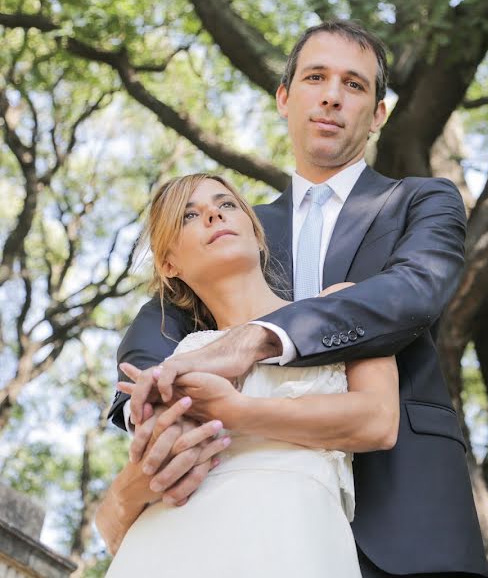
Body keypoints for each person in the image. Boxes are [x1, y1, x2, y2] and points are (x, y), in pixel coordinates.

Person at [107, 20, 488, 577]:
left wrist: (257, 340)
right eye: (315, 77)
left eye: (354, 85)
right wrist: (150, 402)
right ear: (284, 98)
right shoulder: (235, 230)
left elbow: (414, 289)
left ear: (378, 114)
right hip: (237, 514)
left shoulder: (422, 200)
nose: (332, 95)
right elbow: (157, 328)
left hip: (409, 510)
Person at [97, 174, 398, 576]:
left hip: (295, 535)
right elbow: (155, 466)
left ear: (256, 235)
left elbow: (378, 421)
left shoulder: (341, 303)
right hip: (169, 543)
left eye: (226, 205)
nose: (212, 215)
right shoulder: (178, 358)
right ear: (169, 264)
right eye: (189, 215)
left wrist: (236, 410)